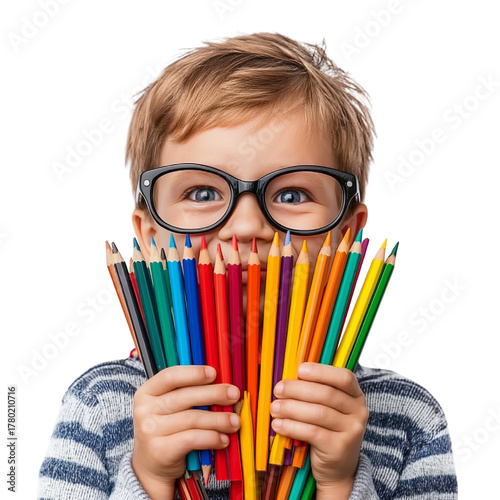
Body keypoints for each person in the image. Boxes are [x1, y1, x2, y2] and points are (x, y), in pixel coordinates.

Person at [38, 32, 458, 499]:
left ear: (346, 233)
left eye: (292, 195)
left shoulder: (407, 416)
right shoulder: (99, 406)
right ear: (150, 233)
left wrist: (340, 483)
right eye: (201, 194)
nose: (245, 226)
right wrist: (149, 479)